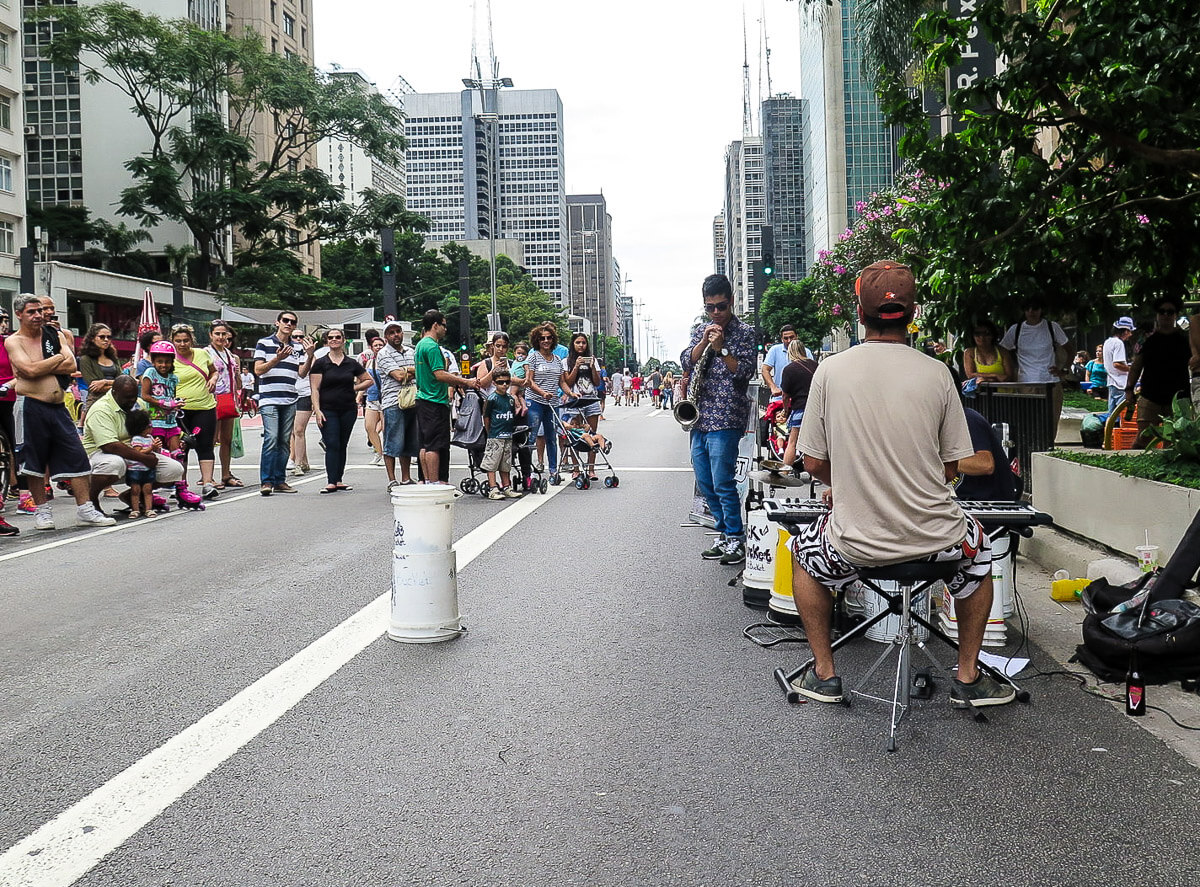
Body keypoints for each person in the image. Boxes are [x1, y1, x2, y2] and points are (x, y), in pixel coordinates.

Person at [788, 261, 1012, 708]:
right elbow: (953, 468)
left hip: (855, 544)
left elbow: (811, 462)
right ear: (912, 314)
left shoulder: (830, 371)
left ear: (859, 310)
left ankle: (824, 674)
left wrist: (849, 483)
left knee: (801, 556)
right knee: (980, 551)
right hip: (938, 543)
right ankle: (967, 676)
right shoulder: (937, 373)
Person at [3, 294, 115, 528]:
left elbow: (71, 364)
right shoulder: (14, 341)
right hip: (30, 405)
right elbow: (28, 371)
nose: (38, 315)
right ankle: (42, 511)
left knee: (77, 455)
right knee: (33, 462)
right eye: (31, 312)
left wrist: (42, 364)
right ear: (19, 315)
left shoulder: (53, 335)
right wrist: (54, 361)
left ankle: (85, 508)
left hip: (58, 406)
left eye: (39, 311)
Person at [680, 273, 757, 565]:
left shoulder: (744, 332)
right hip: (699, 416)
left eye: (721, 306)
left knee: (723, 481)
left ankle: (736, 538)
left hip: (726, 416)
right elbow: (687, 360)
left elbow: (743, 372)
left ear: (731, 302)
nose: (715, 313)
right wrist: (703, 341)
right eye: (710, 307)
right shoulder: (702, 329)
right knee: (704, 479)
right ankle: (723, 533)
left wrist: (721, 348)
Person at [83, 375, 186, 513]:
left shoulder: (138, 404)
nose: (132, 401)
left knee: (175, 469)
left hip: (135, 451)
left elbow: (146, 432)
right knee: (114, 463)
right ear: (114, 393)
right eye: (127, 397)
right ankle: (91, 499)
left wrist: (154, 447)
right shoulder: (101, 410)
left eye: (134, 396)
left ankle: (133, 494)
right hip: (102, 453)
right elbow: (110, 445)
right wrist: (144, 458)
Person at [253, 310, 314, 496]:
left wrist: (310, 355)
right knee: (271, 438)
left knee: (284, 441)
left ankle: (279, 480)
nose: (288, 324)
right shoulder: (264, 343)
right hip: (269, 398)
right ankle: (266, 481)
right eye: (285, 320)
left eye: (292, 322)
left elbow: (301, 373)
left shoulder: (296, 348)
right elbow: (258, 370)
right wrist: (277, 359)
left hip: (289, 398)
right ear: (277, 322)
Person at [414, 310, 477, 484]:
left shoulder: (420, 345)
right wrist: (465, 382)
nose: (445, 329)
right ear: (435, 325)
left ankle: (426, 480)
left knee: (425, 444)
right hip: (434, 399)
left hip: (422, 399)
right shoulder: (432, 346)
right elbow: (440, 374)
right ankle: (435, 483)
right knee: (435, 445)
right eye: (444, 325)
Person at [310, 328, 371, 493]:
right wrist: (317, 410)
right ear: (327, 341)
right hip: (327, 409)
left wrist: (355, 387)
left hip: (347, 409)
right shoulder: (321, 363)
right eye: (331, 337)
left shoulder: (351, 363)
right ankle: (330, 481)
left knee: (342, 444)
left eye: (338, 337)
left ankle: (338, 479)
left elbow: (368, 380)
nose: (334, 340)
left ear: (344, 340)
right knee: (332, 443)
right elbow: (314, 389)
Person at [1124, 296, 1190, 447]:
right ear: (1157, 315)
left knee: (1174, 441)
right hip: (1150, 396)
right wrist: (1129, 389)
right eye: (1162, 312)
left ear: (1176, 315)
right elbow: (1136, 366)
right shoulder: (1145, 339)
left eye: (1170, 312)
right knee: (1143, 438)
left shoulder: (1185, 338)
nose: (1166, 315)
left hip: (1179, 398)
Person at [168, 323, 219, 500]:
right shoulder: (169, 358)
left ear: (192, 340)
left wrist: (213, 380)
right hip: (179, 411)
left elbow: (214, 371)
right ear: (172, 341)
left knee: (205, 445)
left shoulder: (202, 354)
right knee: (181, 448)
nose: (182, 344)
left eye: (185, 340)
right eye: (178, 341)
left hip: (204, 407)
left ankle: (207, 483)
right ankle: (180, 485)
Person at [999, 298, 1069, 425]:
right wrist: (1013, 369)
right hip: (1026, 382)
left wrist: (1064, 370)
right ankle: (1031, 445)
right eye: (1028, 308)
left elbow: (1069, 347)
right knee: (1029, 420)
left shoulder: (1052, 327)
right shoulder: (1016, 329)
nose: (1031, 312)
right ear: (1024, 311)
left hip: (1050, 381)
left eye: (1035, 308)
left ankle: (1049, 444)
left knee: (1051, 420)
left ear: (1041, 310)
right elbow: (1003, 350)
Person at [524, 322, 571, 480]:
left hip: (553, 403)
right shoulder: (533, 356)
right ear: (537, 340)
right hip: (535, 401)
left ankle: (553, 470)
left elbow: (562, 381)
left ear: (553, 339)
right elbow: (529, 381)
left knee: (551, 437)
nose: (546, 341)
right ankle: (528, 471)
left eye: (549, 337)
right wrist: (542, 393)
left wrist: (570, 393)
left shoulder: (557, 359)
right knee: (532, 436)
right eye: (542, 338)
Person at [375, 321, 419, 491]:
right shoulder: (383, 354)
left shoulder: (411, 351)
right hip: (393, 402)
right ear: (386, 337)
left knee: (408, 441)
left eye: (398, 331)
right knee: (392, 442)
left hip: (413, 400)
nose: (395, 335)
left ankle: (406, 477)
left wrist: (407, 370)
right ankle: (392, 479)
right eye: (391, 332)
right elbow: (399, 376)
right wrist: (412, 370)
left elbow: (420, 369)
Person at [205, 321, 244, 488]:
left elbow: (239, 384)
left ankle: (226, 474)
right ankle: (208, 476)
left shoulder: (231, 355)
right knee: (212, 439)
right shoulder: (205, 353)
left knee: (227, 439)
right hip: (212, 399)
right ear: (211, 335)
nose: (221, 337)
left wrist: (237, 375)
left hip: (229, 398)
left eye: (223, 334)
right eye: (217, 334)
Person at [955, 406, 1018, 502]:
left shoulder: (969, 420)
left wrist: (940, 461)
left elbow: (985, 465)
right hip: (962, 500)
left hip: (990, 503)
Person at [563, 332, 602, 481]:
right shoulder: (566, 361)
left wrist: (592, 367)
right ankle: (576, 468)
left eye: (583, 343)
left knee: (592, 434)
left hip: (591, 400)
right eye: (578, 342)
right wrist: (577, 366)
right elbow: (568, 382)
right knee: (575, 434)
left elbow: (597, 383)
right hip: (575, 400)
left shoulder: (593, 360)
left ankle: (591, 468)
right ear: (573, 344)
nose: (581, 345)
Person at [482, 370, 522, 500]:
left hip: (507, 435)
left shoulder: (510, 399)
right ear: (494, 383)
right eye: (500, 382)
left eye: (507, 382)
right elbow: (486, 416)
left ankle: (506, 486)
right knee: (492, 462)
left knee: (506, 463)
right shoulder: (492, 399)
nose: (504, 385)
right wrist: (490, 432)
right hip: (495, 435)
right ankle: (493, 488)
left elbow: (512, 414)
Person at [779, 339, 818, 469]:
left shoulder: (789, 369)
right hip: (816, 409)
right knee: (815, 445)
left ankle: (785, 472)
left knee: (792, 442)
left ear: (790, 352)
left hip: (800, 408)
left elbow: (785, 395)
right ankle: (815, 477)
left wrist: (785, 410)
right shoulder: (815, 365)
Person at [139, 342, 183, 456]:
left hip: (171, 421)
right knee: (158, 452)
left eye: (167, 362)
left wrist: (176, 404)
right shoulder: (150, 372)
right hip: (155, 421)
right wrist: (162, 403)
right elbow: (144, 395)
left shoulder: (173, 378)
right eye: (160, 362)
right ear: (153, 361)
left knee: (177, 453)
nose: (164, 365)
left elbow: (171, 397)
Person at [122, 409, 158, 518]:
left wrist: (156, 448)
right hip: (136, 468)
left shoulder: (149, 438)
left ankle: (149, 509)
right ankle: (135, 509)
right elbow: (138, 452)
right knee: (135, 490)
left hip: (148, 468)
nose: (151, 427)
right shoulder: (137, 439)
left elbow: (153, 451)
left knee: (147, 489)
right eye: (149, 425)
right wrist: (151, 448)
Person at [761, 324, 814, 399]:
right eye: (786, 338)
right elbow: (765, 369)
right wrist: (773, 387)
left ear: (797, 336)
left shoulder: (806, 352)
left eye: (792, 337)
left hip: (800, 398)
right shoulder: (774, 350)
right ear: (782, 339)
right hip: (779, 398)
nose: (789, 341)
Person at [359, 334, 386, 466]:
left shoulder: (388, 360)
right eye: (375, 345)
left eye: (380, 345)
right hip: (372, 398)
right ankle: (378, 453)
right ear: (371, 348)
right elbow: (365, 380)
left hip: (386, 398)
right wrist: (359, 395)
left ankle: (388, 454)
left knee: (387, 429)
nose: (378, 347)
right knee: (369, 427)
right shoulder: (369, 362)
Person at [962, 319, 1013, 383]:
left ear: (993, 335)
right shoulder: (969, 352)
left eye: (986, 334)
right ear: (972, 336)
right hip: (982, 392)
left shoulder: (1003, 352)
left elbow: (1008, 377)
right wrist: (995, 376)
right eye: (977, 334)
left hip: (1003, 391)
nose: (982, 337)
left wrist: (984, 378)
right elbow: (970, 375)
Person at [1103, 316, 1136, 413]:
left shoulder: (1108, 342)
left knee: (1112, 414)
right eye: (1130, 332)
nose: (1130, 335)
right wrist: (1132, 369)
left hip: (1112, 382)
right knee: (1122, 414)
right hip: (1120, 384)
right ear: (1125, 331)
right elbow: (1117, 364)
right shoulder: (1118, 343)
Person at [78, 324, 121, 392]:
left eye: (109, 337)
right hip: (96, 400)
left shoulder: (113, 358)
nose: (106, 340)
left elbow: (122, 380)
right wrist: (119, 387)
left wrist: (105, 382)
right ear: (92, 339)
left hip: (117, 399)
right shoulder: (85, 359)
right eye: (102, 337)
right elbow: (93, 386)